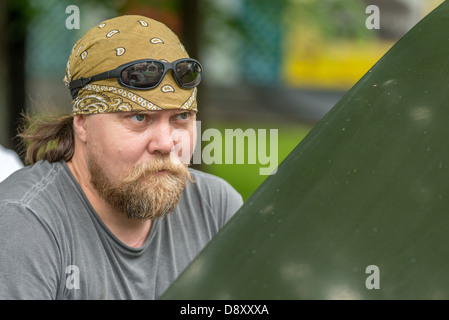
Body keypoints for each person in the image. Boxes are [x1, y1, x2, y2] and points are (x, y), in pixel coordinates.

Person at [0, 15, 243, 299]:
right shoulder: (24, 223)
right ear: (82, 123)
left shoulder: (213, 208)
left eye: (181, 117)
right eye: (139, 118)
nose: (166, 144)